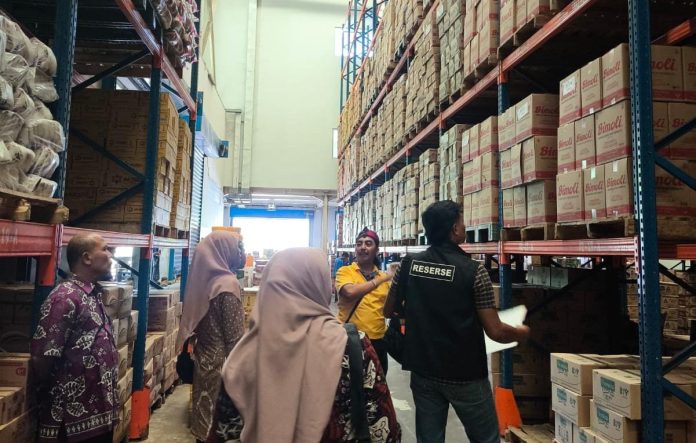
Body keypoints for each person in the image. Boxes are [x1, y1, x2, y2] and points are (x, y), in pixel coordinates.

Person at [206, 248, 401, 443]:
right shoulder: (351, 346)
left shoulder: (243, 355)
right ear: (320, 285)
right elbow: (384, 429)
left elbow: (224, 433)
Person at [384, 200, 530, 443]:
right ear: (454, 229)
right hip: (465, 374)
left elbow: (389, 310)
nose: (464, 226)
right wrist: (521, 332)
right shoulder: (474, 271)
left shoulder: (408, 265)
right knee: (486, 439)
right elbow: (495, 331)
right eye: (461, 222)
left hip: (423, 368)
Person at [31, 233, 119, 443]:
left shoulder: (92, 294)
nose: (110, 255)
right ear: (87, 258)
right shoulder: (64, 297)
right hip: (71, 422)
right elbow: (43, 357)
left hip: (98, 414)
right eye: (105, 249)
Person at [177, 231, 246, 442]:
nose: (242, 253)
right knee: (219, 425)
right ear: (224, 251)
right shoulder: (227, 285)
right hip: (223, 365)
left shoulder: (203, 282)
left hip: (204, 360)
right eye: (238, 248)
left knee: (204, 418)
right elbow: (234, 338)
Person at [336, 228, 393, 374]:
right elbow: (349, 292)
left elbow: (390, 310)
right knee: (349, 383)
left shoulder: (385, 278)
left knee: (377, 384)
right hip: (350, 339)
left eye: (368, 243)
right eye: (359, 244)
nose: (362, 247)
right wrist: (380, 280)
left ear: (377, 250)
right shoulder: (345, 271)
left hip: (377, 341)